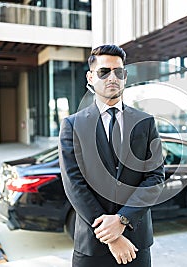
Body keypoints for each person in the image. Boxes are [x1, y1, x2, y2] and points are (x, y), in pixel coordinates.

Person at [58, 44, 165, 266]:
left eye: (118, 72)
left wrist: (123, 220)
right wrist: (112, 236)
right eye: (104, 72)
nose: (112, 77)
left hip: (136, 243)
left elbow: (155, 178)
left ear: (125, 76)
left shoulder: (145, 123)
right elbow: (74, 184)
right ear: (90, 77)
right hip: (91, 244)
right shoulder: (72, 125)